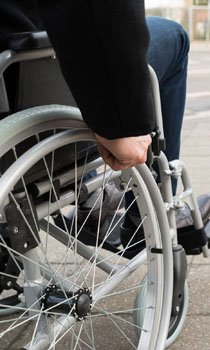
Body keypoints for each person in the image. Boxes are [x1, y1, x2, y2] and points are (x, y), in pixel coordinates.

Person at [0, 0, 210, 238]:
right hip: (26, 97)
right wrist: (121, 124)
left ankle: (93, 195)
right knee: (175, 35)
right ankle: (149, 216)